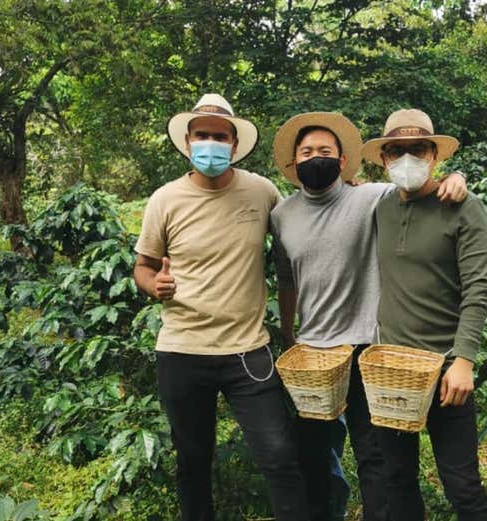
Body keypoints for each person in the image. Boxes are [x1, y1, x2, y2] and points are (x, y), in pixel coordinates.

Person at [269, 112, 468, 521]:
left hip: (366, 348)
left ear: (343, 161)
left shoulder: (373, 197)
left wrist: (456, 177)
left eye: (325, 151)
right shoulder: (281, 215)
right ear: (293, 163)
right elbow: (286, 280)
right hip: (312, 353)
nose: (316, 157)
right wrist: (289, 332)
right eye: (307, 152)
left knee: (376, 460)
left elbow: (419, 191)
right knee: (312, 459)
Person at [133, 94, 309, 521]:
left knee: (279, 455)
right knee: (192, 461)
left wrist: (350, 188)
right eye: (202, 135)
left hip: (247, 351)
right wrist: (154, 285)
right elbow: (142, 267)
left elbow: (301, 229)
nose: (210, 142)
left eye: (220, 136)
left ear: (234, 144)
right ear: (188, 141)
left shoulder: (261, 191)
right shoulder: (165, 199)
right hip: (182, 350)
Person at [362, 108, 487, 521]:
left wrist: (464, 359)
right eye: (396, 151)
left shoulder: (463, 207)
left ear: (434, 154)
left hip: (446, 370)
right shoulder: (380, 206)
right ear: (383, 159)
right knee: (397, 479)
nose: (407, 159)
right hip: (393, 370)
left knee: (462, 484)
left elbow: (478, 288)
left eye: (417, 149)